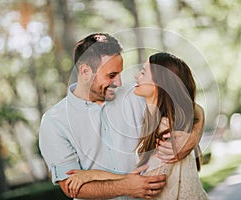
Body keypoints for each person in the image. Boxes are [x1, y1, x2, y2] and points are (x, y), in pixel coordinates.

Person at [39, 33, 205, 199]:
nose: (119, 83)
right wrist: (125, 186)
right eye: (111, 75)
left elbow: (187, 105)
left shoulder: (135, 94)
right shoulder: (54, 122)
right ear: (85, 71)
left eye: (119, 73)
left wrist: (192, 136)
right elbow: (71, 187)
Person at [134, 52, 208, 199]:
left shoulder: (167, 131)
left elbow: (147, 188)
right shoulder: (169, 122)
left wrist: (92, 178)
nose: (136, 76)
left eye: (143, 73)